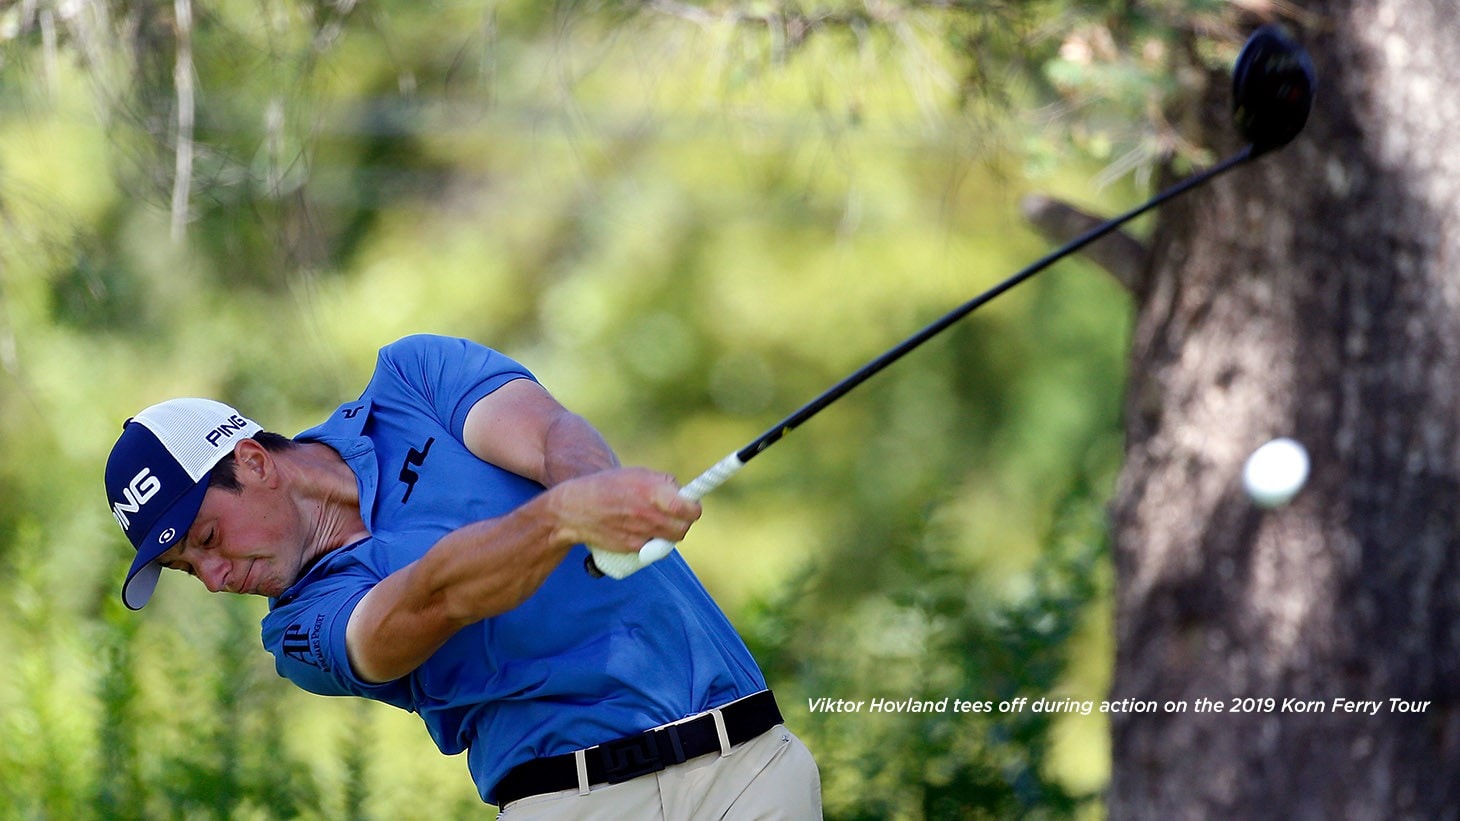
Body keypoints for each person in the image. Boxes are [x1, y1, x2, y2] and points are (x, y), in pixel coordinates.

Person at [104, 333, 821, 818]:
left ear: (254, 462)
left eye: (205, 538)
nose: (217, 576)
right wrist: (564, 518)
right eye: (187, 569)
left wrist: (600, 494)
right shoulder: (297, 630)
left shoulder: (410, 380)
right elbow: (433, 598)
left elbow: (549, 434)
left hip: (750, 765)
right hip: (570, 801)